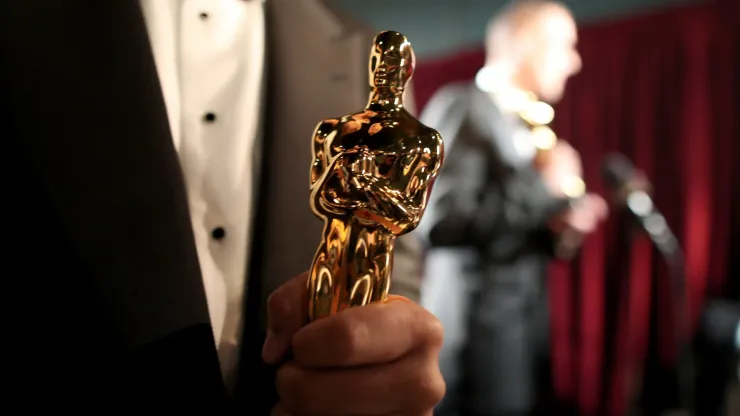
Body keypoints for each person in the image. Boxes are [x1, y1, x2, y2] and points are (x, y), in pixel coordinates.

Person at [2, 0, 443, 414]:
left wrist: (386, 363)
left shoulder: (353, 47)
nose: (385, 70)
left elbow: (400, 245)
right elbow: (323, 193)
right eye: (381, 63)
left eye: (393, 64)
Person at [418, 1, 607, 415]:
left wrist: (559, 224)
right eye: (565, 47)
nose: (573, 62)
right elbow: (439, 222)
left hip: (521, 335)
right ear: (524, 44)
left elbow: (509, 225)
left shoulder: (525, 123)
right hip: (475, 343)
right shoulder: (463, 106)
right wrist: (540, 184)